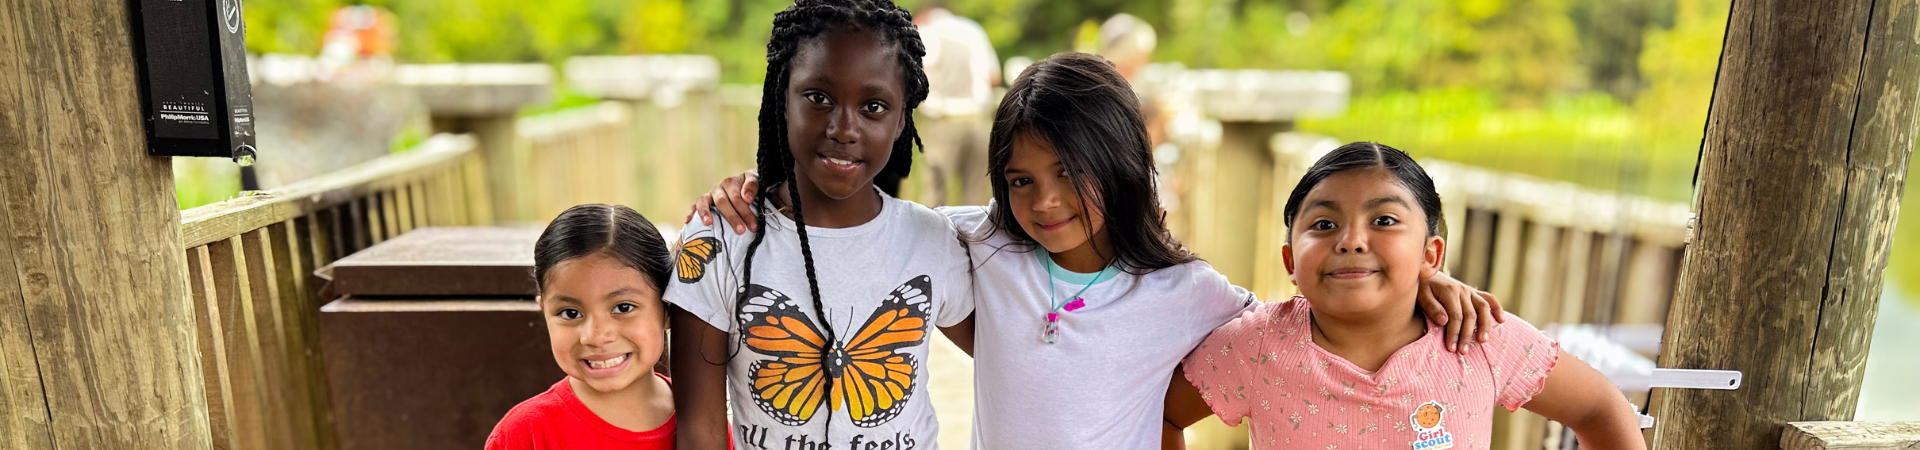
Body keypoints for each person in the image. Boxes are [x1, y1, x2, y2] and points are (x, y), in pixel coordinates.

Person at [692, 54, 1504, 449]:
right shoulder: (979, 242)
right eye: (1020, 179)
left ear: (1120, 164)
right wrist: (758, 192)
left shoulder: (1191, 292)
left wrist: (1425, 287)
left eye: (1069, 174)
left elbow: (1301, 326)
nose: (1043, 201)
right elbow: (864, 218)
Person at [1164, 143, 1646, 449]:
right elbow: (1163, 416)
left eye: (1385, 220)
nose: (1351, 240)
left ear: (1430, 254)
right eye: (1324, 224)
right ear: (1291, 262)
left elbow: (1600, 407)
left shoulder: (1478, 335)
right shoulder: (1255, 345)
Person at [663, 1, 976, 449]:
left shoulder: (930, 239)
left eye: (873, 106)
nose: (843, 128)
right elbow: (700, 429)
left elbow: (1011, 363)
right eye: (818, 98)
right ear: (781, 98)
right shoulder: (720, 240)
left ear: (902, 118)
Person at [486, 204, 678, 449]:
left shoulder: (702, 420)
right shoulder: (524, 435)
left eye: (623, 308)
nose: (595, 336)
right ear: (544, 311)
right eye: (570, 313)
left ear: (668, 308)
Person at [914, 6, 999, 206]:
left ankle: (931, 237)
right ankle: (975, 238)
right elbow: (993, 77)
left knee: (935, 194)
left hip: (942, 124)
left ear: (923, 16)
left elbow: (916, 79)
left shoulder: (925, 33)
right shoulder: (973, 30)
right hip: (979, 121)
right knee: (978, 198)